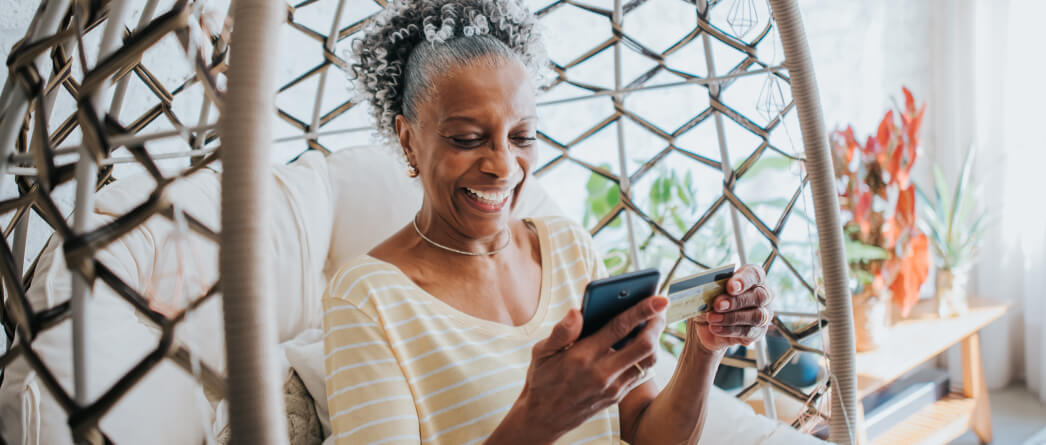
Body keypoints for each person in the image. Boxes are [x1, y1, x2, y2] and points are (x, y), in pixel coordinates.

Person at [323, 0, 775, 443]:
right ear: (408, 140)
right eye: (467, 139)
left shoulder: (567, 247)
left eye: (523, 137)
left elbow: (643, 432)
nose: (503, 166)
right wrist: (539, 420)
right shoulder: (366, 299)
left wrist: (704, 349)